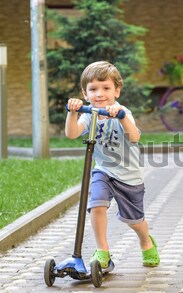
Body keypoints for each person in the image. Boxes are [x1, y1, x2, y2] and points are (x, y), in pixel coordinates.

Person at [65, 61, 159, 269]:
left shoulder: (122, 111)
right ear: (85, 93)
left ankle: (146, 241)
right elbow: (72, 134)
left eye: (106, 88)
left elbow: (134, 137)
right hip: (104, 170)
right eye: (93, 89)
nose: (99, 94)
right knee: (96, 205)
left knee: (133, 220)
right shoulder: (89, 115)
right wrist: (72, 112)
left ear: (116, 91)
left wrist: (122, 117)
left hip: (129, 175)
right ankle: (102, 252)